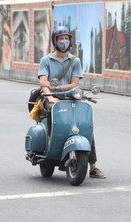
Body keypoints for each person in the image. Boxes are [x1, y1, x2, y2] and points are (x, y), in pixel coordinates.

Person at [37, 25, 106, 179]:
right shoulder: (46, 60)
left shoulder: (74, 60)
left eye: (66, 38)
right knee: (55, 119)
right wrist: (50, 97)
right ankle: (49, 149)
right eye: (61, 39)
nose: (64, 41)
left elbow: (75, 84)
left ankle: (93, 165)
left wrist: (59, 88)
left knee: (85, 126)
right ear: (55, 41)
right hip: (50, 97)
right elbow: (43, 83)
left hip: (71, 96)